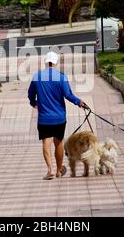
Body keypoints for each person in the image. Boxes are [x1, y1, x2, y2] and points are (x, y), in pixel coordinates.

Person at [28, 51, 86, 180]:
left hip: (44, 118)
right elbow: (68, 95)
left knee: (46, 143)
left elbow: (30, 94)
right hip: (59, 117)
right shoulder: (61, 77)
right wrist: (79, 102)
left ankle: (50, 170)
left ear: (45, 62)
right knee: (58, 143)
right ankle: (60, 170)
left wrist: (34, 103)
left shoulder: (37, 76)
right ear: (56, 62)